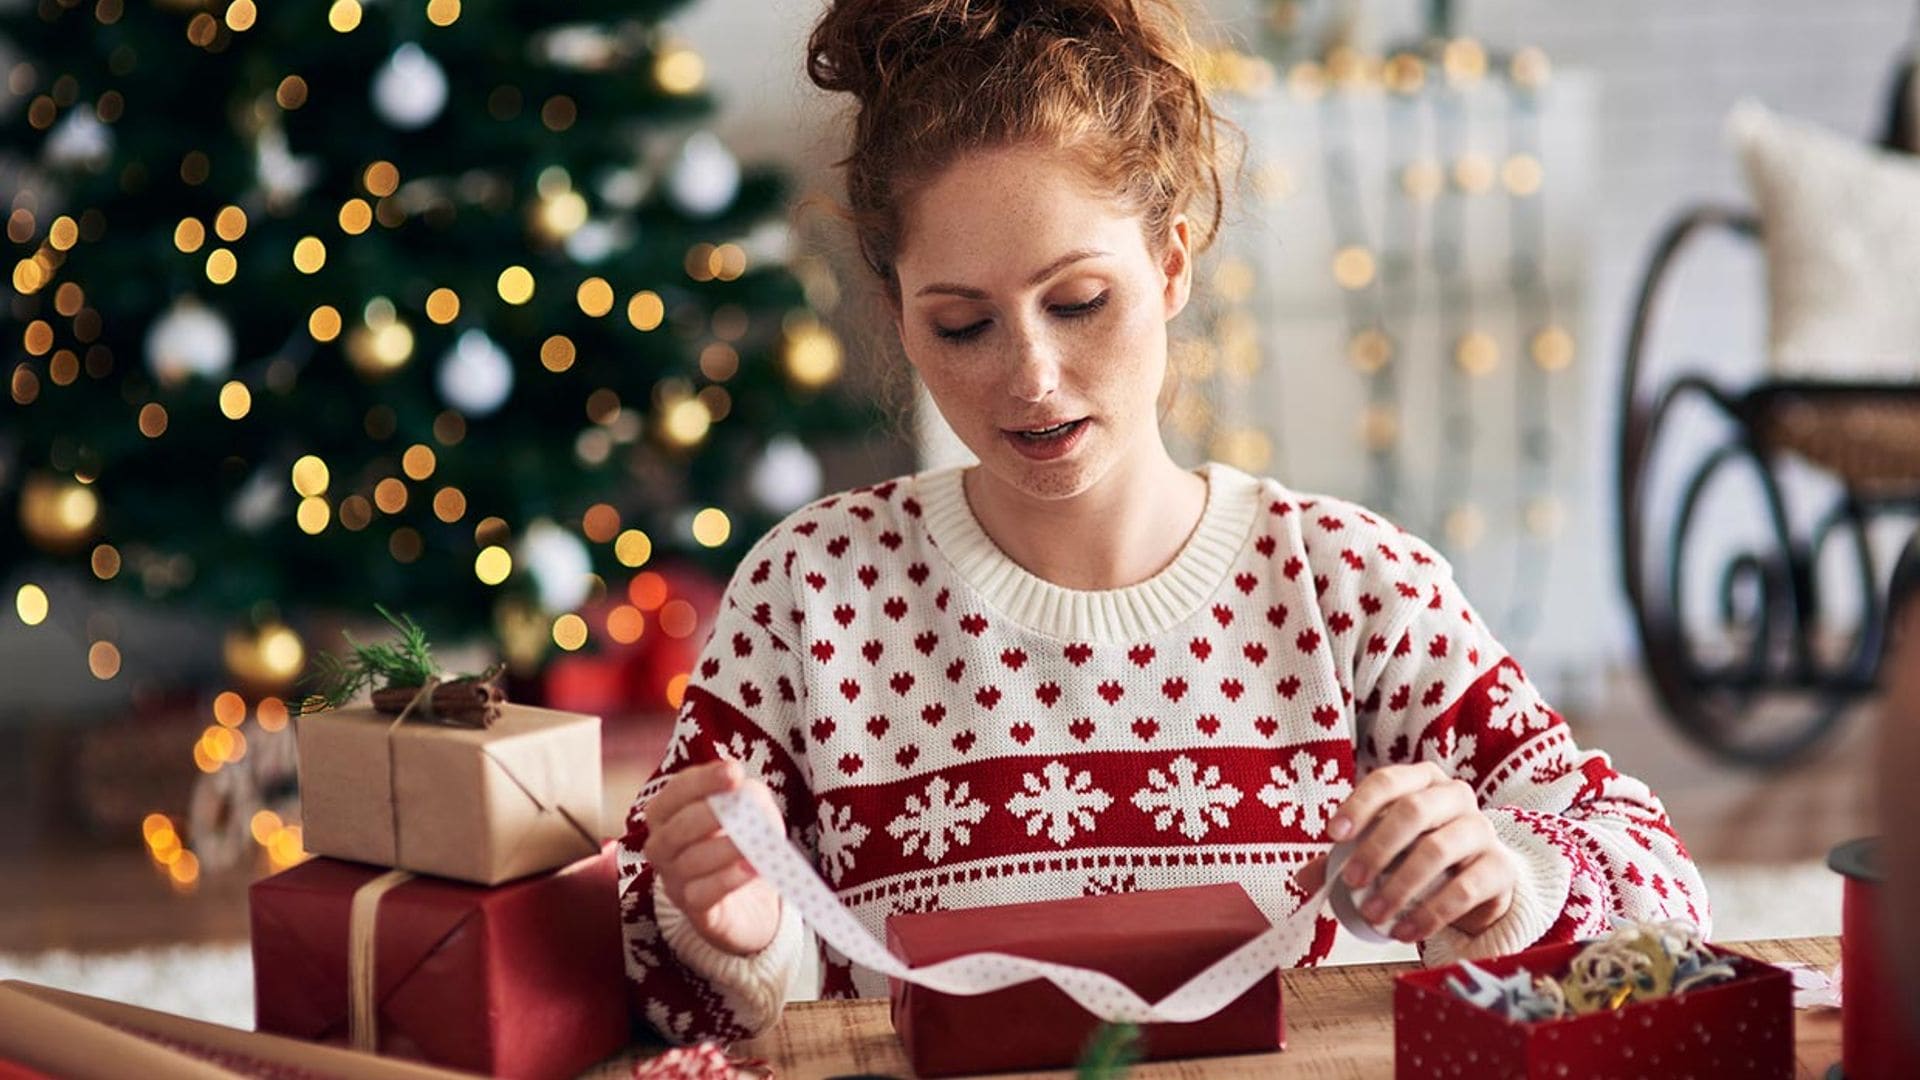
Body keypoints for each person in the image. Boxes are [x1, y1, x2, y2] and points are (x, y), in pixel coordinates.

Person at [618, 0, 1706, 1044]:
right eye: (962, 325)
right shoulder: (812, 593)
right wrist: (733, 936)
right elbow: (647, 982)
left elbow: (1666, 903)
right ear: (899, 313)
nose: (1031, 378)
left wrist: (1505, 887)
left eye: (1079, 302)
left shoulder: (1353, 585)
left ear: (1173, 263)